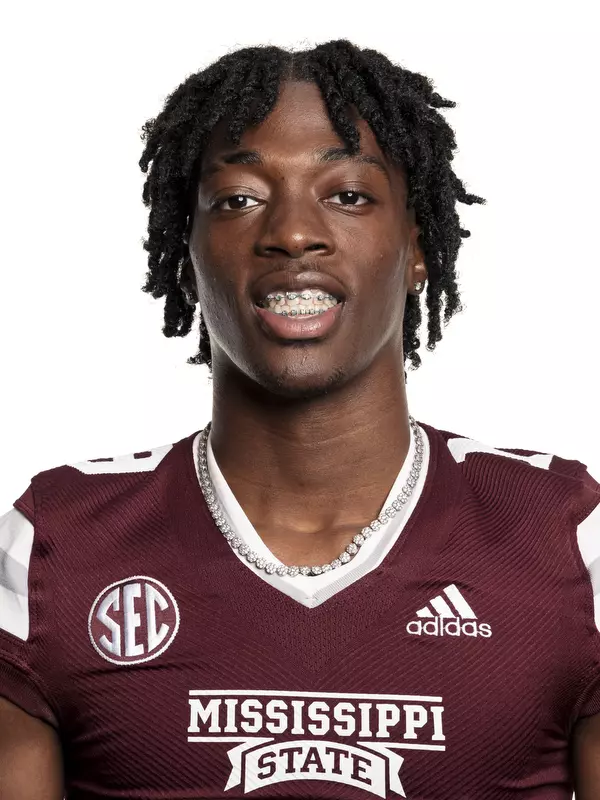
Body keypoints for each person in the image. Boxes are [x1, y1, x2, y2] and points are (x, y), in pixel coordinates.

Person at [0, 39, 598, 800]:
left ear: (418, 247)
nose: (291, 233)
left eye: (347, 194)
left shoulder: (565, 542)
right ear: (185, 255)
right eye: (238, 198)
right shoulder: (55, 547)